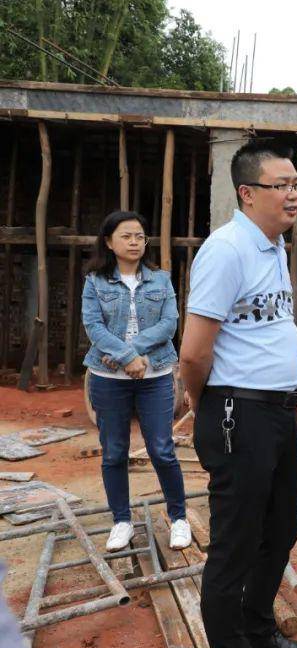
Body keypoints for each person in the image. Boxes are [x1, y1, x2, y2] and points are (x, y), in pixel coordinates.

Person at [180, 138, 297, 648]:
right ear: (247, 192)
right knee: (235, 542)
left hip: (280, 413)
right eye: (280, 185)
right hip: (239, 413)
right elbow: (193, 351)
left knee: (282, 525)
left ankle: (259, 629)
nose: (292, 194)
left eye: (296, 184)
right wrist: (203, 403)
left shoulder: (273, 246)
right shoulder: (227, 249)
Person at [81, 210, 189, 552]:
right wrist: (127, 358)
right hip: (107, 378)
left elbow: (170, 324)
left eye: (140, 236)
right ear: (109, 242)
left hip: (154, 375)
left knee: (161, 449)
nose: (134, 242)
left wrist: (132, 353)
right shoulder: (94, 282)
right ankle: (121, 521)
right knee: (114, 452)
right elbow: (93, 326)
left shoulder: (161, 279)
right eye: (126, 236)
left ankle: (179, 517)